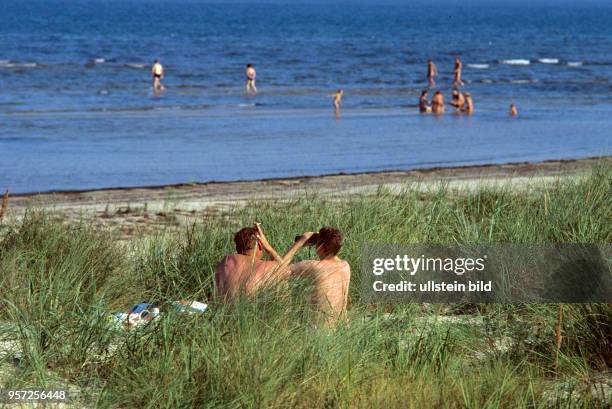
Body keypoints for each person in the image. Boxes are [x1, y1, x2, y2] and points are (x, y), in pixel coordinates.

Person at [215, 224, 314, 300]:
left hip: (224, 316)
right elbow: (286, 271)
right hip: (253, 317)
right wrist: (269, 247)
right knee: (283, 285)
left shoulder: (226, 261)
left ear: (237, 247)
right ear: (260, 245)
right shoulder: (267, 267)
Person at [290, 227, 351, 324]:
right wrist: (323, 239)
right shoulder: (345, 266)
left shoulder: (314, 266)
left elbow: (279, 268)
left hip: (318, 332)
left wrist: (299, 243)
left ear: (321, 247)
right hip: (341, 328)